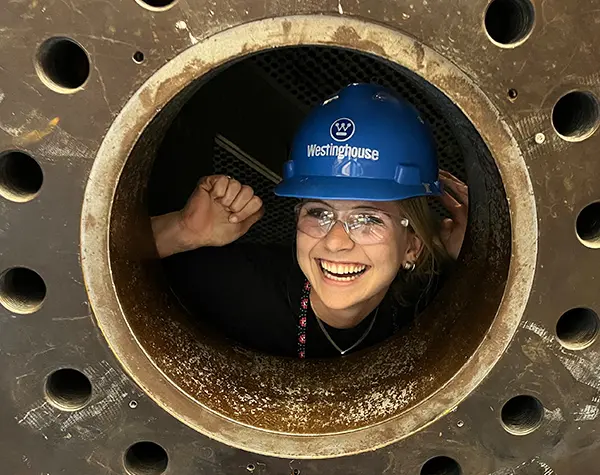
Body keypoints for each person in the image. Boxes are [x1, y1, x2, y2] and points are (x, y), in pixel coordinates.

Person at [152, 83, 469, 358]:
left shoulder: (430, 298)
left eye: (368, 219)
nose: (335, 241)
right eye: (318, 213)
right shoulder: (238, 287)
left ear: (412, 247)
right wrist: (182, 231)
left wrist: (472, 257)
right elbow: (108, 269)